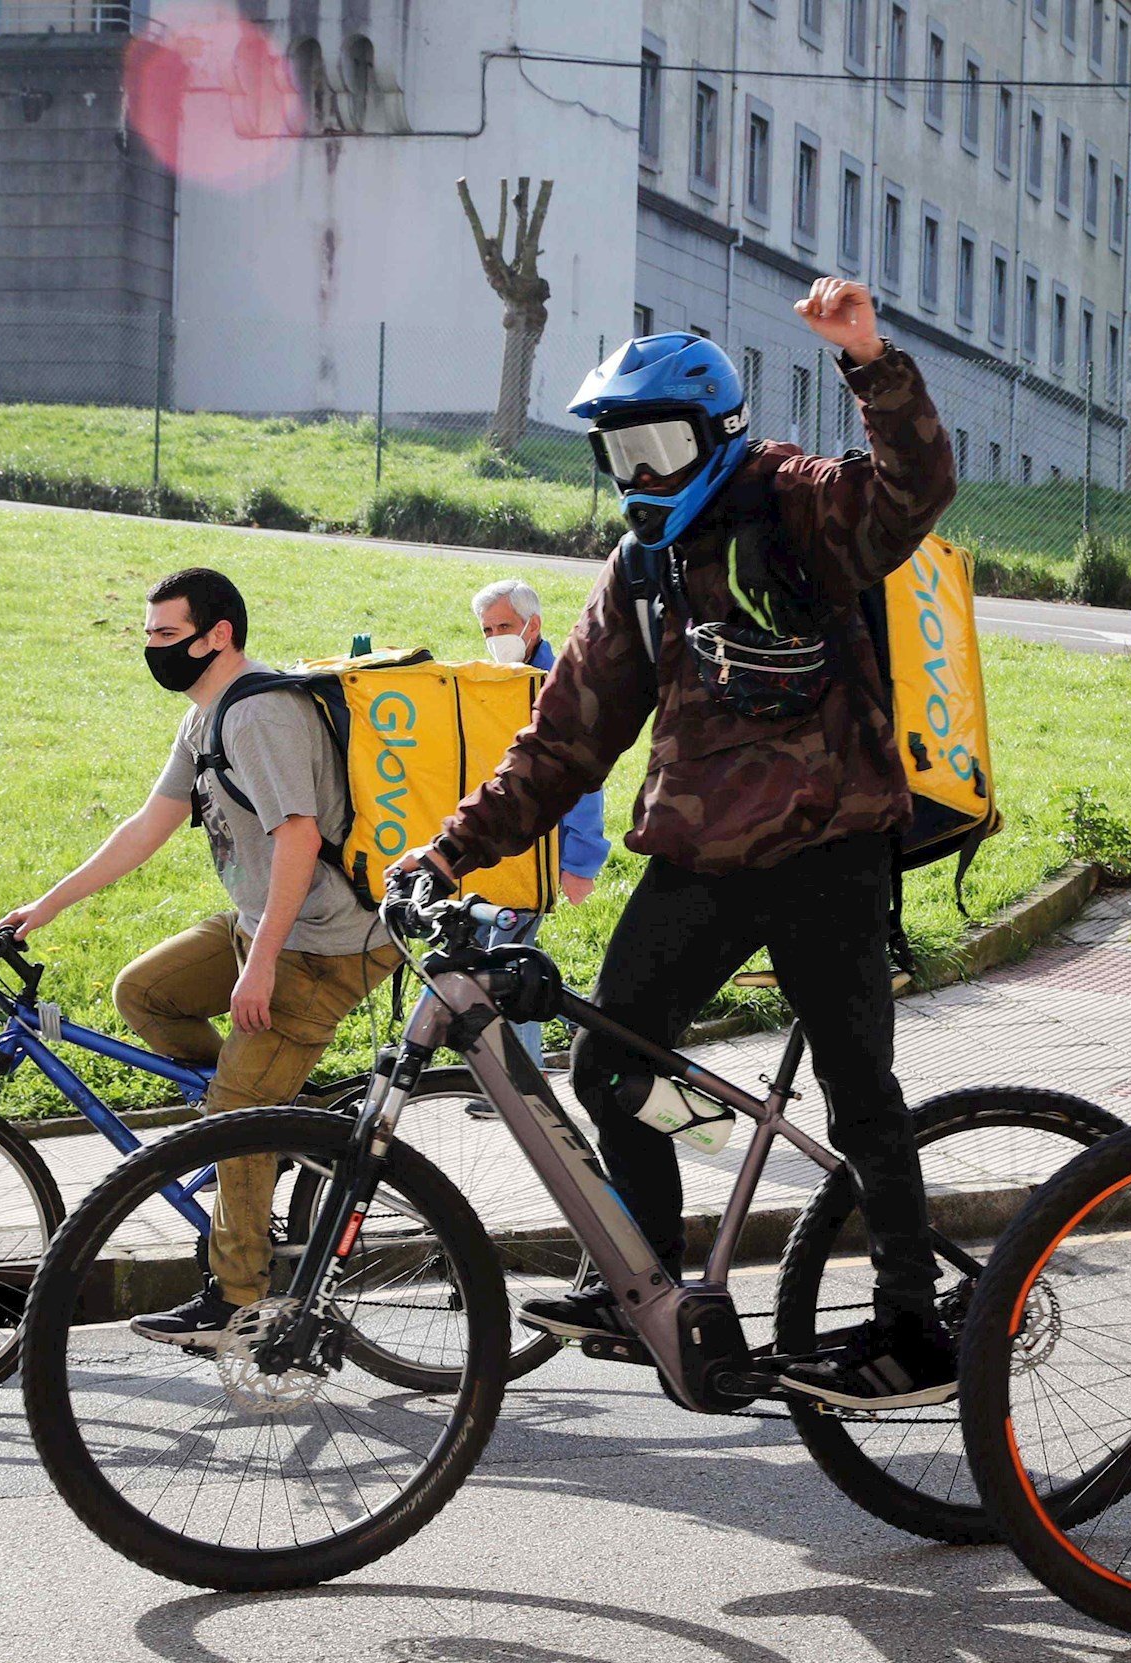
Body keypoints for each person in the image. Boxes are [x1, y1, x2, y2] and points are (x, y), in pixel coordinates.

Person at [394, 278, 958, 1407]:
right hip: (698, 864)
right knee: (610, 1069)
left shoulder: (794, 500)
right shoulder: (639, 573)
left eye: (659, 445)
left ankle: (915, 1328)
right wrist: (448, 852)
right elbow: (563, 743)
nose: (643, 474)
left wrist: (870, 362)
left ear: (715, 431)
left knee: (861, 1095)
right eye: (620, 454)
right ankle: (651, 1273)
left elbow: (911, 493)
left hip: (828, 854)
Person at [0, 568, 401, 1347]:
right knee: (147, 992)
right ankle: (280, 1129)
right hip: (268, 923)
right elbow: (147, 825)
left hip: (325, 943)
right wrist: (44, 906)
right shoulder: (205, 716)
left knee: (235, 1111)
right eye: (147, 635)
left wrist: (263, 962)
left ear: (220, 635)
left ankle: (238, 1299)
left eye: (168, 635)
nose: (154, 649)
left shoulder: (258, 716)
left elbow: (299, 837)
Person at [467, 578, 609, 1091]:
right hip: (507, 856)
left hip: (543, 856)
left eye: (504, 626)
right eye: (487, 628)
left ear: (534, 625)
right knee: (510, 965)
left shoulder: (556, 685)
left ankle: (521, 1088)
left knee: (508, 967)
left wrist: (580, 862)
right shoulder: (498, 680)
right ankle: (600, 1033)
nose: (495, 635)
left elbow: (587, 785)